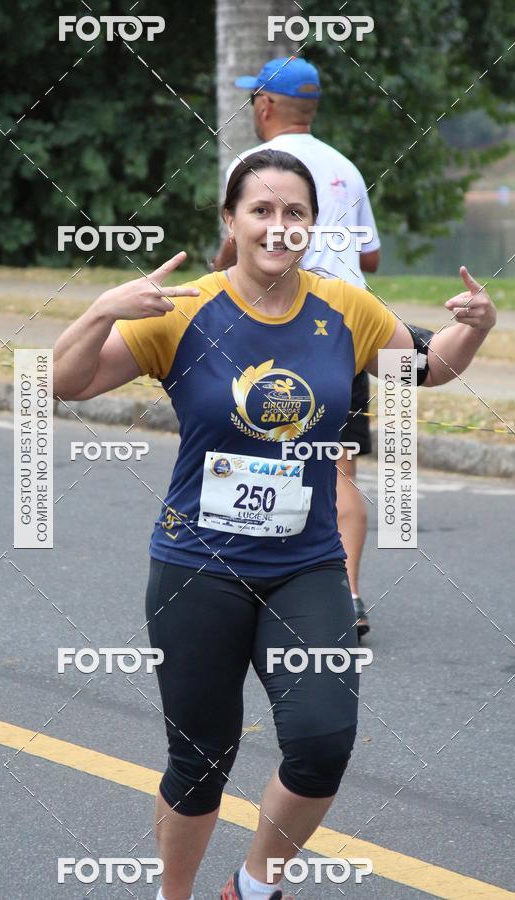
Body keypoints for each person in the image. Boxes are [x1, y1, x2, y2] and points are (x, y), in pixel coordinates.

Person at [52, 150, 496, 900]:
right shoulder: (185, 309)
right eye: (262, 211)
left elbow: (425, 369)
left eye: (295, 213)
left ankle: (254, 887)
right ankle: (174, 894)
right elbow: (65, 383)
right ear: (231, 220)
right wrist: (101, 310)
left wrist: (475, 329)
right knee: (200, 760)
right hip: (198, 567)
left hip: (307, 565)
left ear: (312, 227)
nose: (279, 227)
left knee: (323, 743)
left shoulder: (344, 308)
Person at [213, 56, 381, 639]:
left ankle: (247, 578)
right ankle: (347, 594)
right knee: (337, 467)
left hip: (267, 326)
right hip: (342, 333)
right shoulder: (347, 168)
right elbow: (371, 259)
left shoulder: (255, 165)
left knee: (246, 450)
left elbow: (235, 251)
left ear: (263, 106)